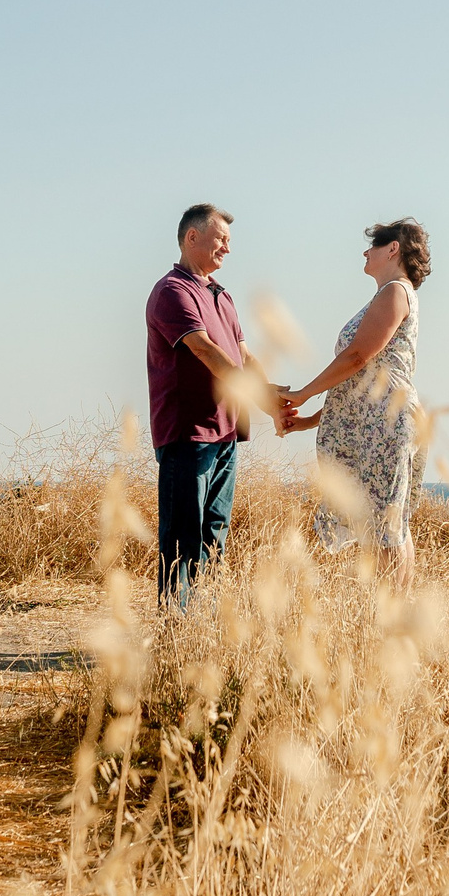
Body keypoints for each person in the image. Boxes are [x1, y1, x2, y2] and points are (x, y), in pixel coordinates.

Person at [144, 204, 285, 609]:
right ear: (192, 238)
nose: (227, 248)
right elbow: (204, 350)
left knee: (214, 534)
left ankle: (203, 627)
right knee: (182, 537)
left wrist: (271, 400)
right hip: (189, 434)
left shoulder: (221, 295)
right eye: (221, 239)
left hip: (225, 433)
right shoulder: (173, 291)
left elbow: (244, 357)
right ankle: (176, 630)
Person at [277, 218, 430, 589]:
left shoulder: (394, 291)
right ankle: (392, 615)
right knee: (389, 523)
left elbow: (358, 357)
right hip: (379, 419)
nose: (366, 251)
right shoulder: (390, 293)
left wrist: (303, 393)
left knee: (385, 528)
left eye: (374, 244)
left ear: (393, 249)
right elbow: (359, 384)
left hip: (385, 421)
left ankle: (389, 618)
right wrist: (310, 419)